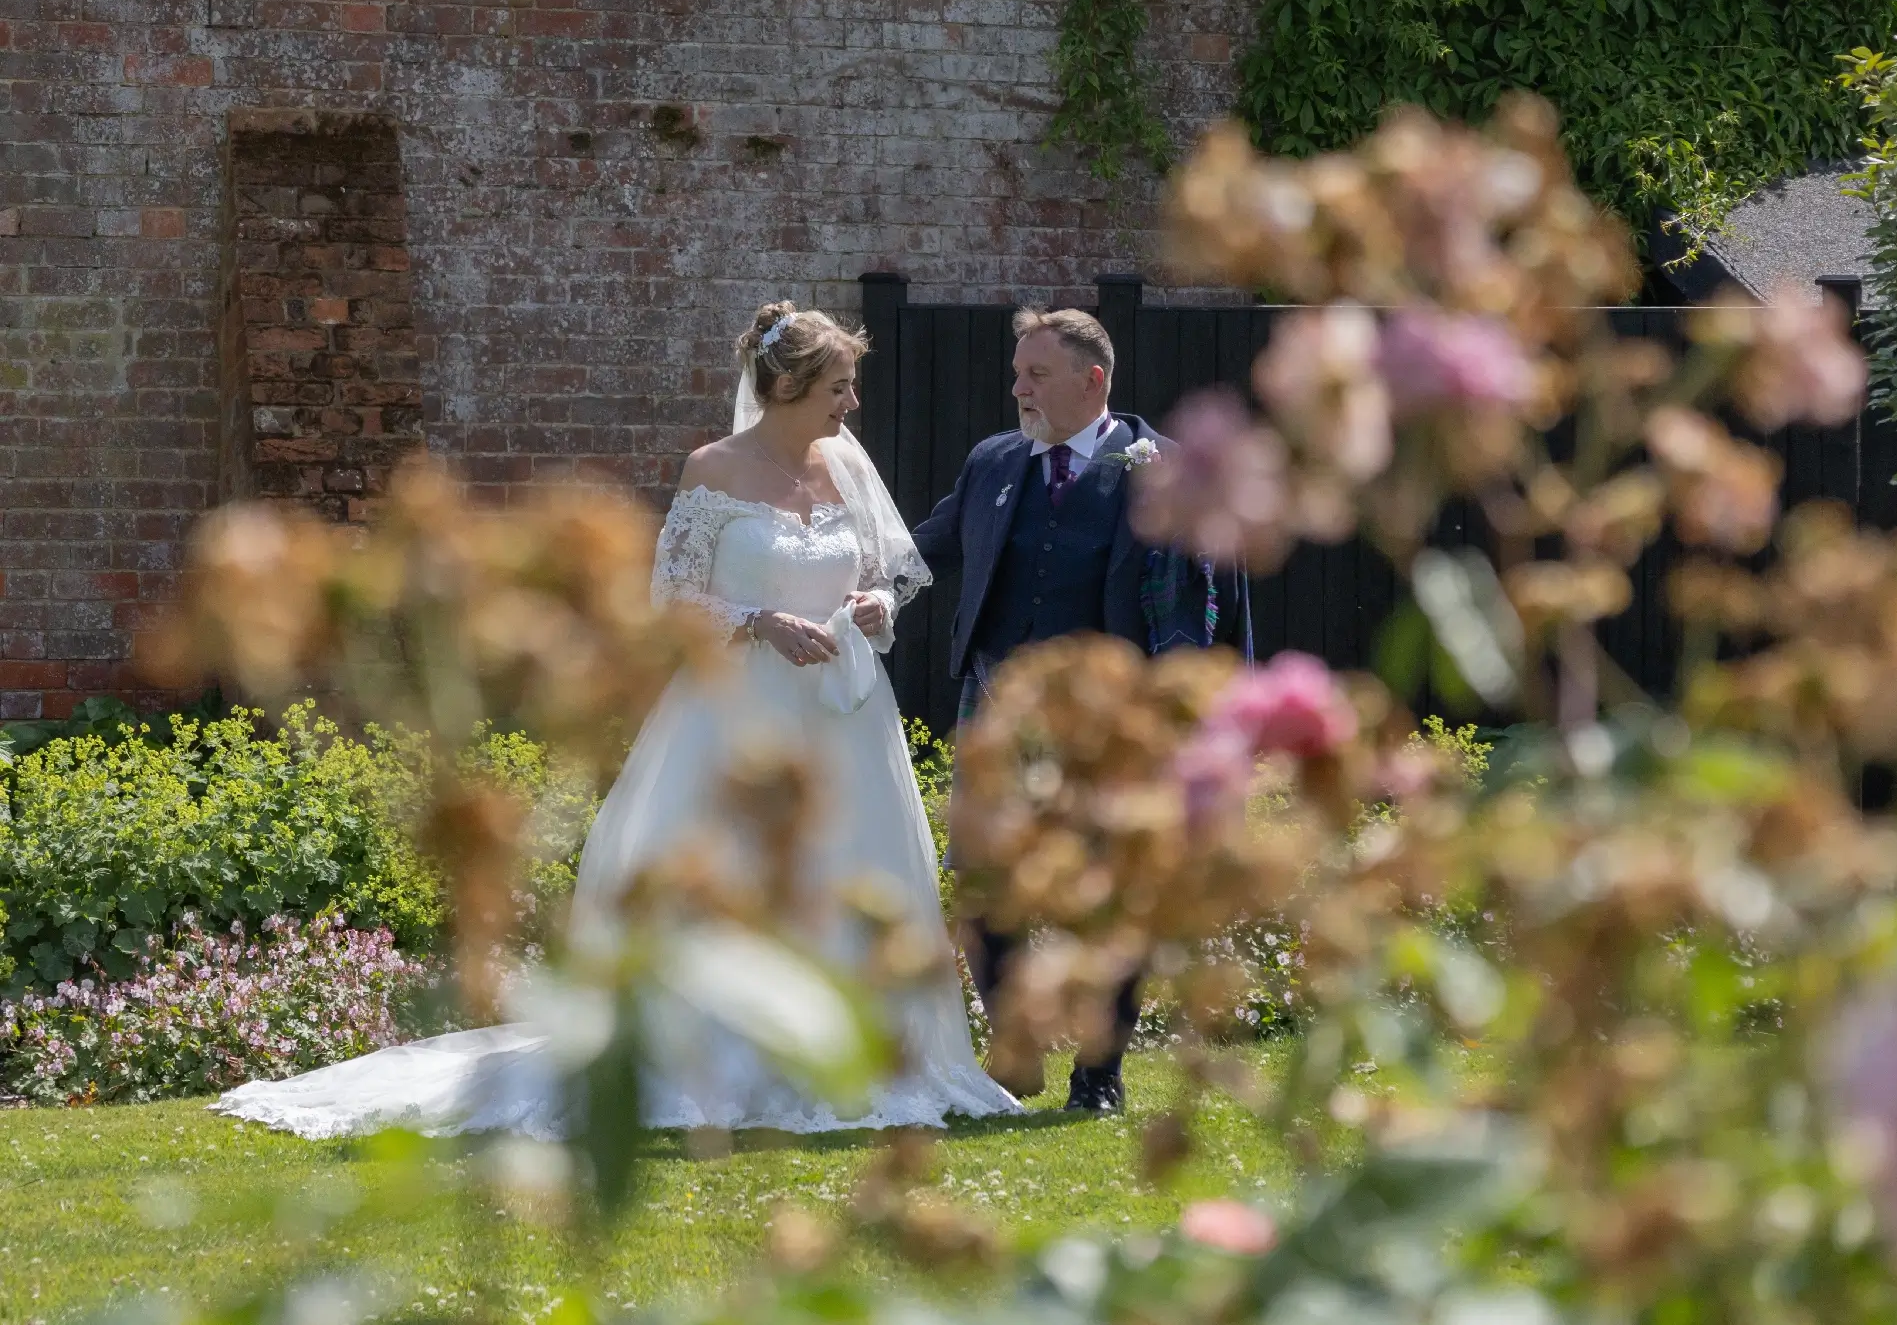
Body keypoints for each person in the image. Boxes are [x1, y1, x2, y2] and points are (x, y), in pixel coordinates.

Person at [213, 302, 1022, 1139]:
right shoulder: (712, 470)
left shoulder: (848, 469)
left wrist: (869, 603)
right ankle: (721, 1056)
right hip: (736, 713)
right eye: (837, 387)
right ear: (784, 386)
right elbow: (672, 598)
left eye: (850, 388)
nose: (850, 405)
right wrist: (756, 620)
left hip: (845, 717)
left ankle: (867, 1052)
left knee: (848, 874)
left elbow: (888, 582)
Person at [913, 306, 1252, 1117]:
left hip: (1112, 720)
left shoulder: (1161, 468)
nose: (1017, 386)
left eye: (1036, 373)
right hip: (998, 700)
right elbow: (927, 542)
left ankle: (1098, 1075)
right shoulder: (995, 460)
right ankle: (1016, 1044)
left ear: (1091, 379)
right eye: (1018, 371)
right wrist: (862, 582)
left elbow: (1201, 600)